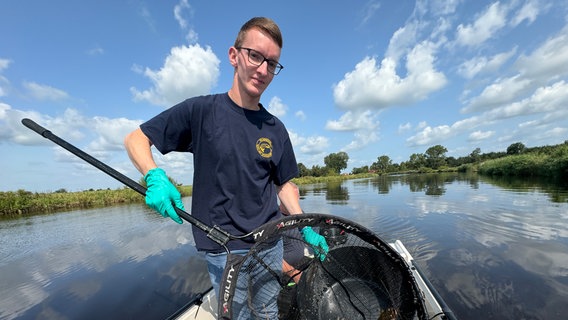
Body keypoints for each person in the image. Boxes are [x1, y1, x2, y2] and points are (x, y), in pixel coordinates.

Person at [124, 17, 328, 318]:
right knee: (237, 316)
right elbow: (136, 139)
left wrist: (304, 225)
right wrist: (154, 175)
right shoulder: (201, 111)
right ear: (234, 55)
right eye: (255, 56)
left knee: (267, 312)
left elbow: (283, 186)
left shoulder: (276, 129)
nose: (263, 69)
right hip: (223, 249)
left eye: (272, 63)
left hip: (271, 242)